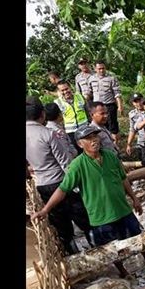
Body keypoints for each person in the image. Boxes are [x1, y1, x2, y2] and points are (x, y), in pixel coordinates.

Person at [31, 124, 145, 277]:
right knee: (112, 248)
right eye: (88, 138)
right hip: (101, 216)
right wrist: (46, 209)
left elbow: (123, 179)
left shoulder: (110, 156)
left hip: (122, 208)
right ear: (80, 144)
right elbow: (63, 189)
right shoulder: (77, 165)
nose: (94, 140)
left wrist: (134, 199)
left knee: (138, 237)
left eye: (95, 136)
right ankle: (123, 271)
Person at [26, 96, 92, 254]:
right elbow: (66, 163)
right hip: (61, 183)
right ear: (42, 114)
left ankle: (72, 254)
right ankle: (97, 246)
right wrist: (77, 185)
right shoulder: (48, 134)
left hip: (42, 185)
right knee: (83, 219)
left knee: (61, 224)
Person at [89, 61, 123, 144]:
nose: (101, 70)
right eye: (99, 69)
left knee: (113, 127)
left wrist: (120, 106)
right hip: (97, 107)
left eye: (103, 68)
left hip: (109, 106)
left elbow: (117, 93)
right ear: (95, 69)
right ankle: (103, 144)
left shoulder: (111, 78)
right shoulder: (91, 78)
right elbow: (89, 93)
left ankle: (115, 146)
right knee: (98, 126)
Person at [55, 80, 90, 151]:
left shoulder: (80, 96)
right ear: (59, 91)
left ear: (70, 87)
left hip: (84, 129)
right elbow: (58, 120)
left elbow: (87, 111)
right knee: (78, 152)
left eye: (66, 89)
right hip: (71, 132)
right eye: (62, 90)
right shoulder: (57, 103)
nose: (65, 92)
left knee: (89, 148)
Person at [126, 93, 145, 159]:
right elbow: (132, 130)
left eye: (140, 100)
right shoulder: (132, 114)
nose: (138, 103)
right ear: (133, 103)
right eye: (136, 102)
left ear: (143, 100)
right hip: (141, 142)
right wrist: (129, 144)